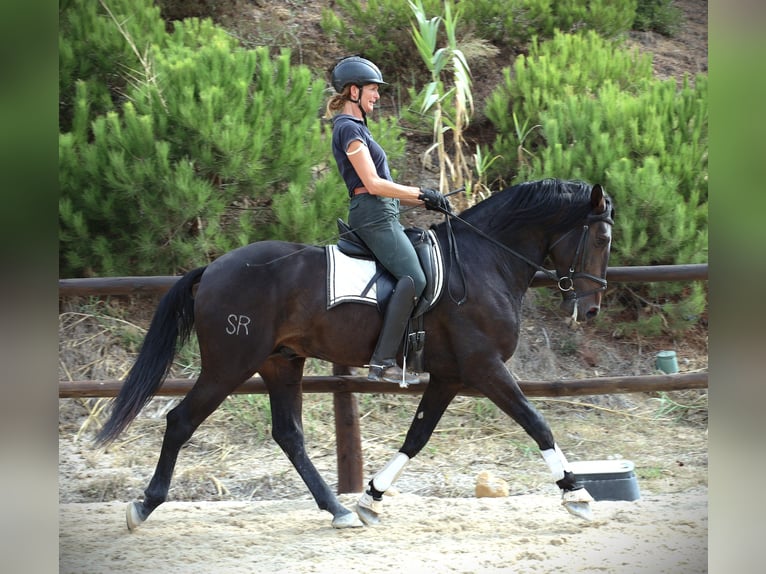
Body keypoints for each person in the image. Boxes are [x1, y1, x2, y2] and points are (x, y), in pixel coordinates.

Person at [325, 55, 452, 384]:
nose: (377, 96)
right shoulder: (349, 128)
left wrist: (421, 198)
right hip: (373, 215)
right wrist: (421, 194)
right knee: (415, 277)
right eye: (372, 89)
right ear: (353, 91)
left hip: (383, 213)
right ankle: (382, 362)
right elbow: (373, 184)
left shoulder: (357, 128)